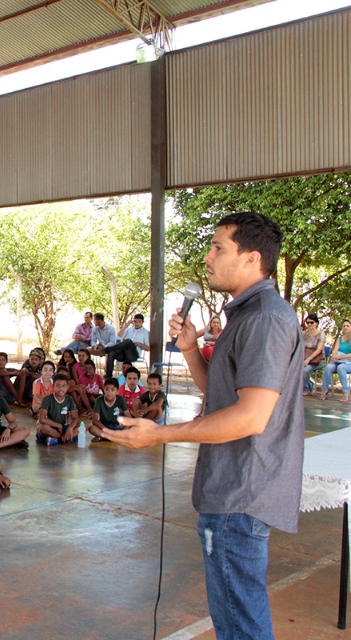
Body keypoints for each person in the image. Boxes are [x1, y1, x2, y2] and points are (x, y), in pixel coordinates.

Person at [101, 211, 304, 640]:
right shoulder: (247, 315)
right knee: (234, 615)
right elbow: (224, 392)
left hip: (240, 492)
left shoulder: (265, 318)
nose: (208, 258)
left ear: (251, 259)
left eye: (219, 248)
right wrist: (192, 350)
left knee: (239, 622)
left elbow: (251, 417)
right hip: (232, 488)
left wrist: (161, 434)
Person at [320, 318, 351, 403]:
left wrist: (341, 356)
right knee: (328, 367)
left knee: (341, 367)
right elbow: (335, 350)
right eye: (344, 326)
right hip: (339, 361)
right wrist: (334, 356)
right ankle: (324, 391)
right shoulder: (340, 339)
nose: (345, 327)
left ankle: (346, 392)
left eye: (347, 326)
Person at [36, 374, 79, 445]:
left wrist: (70, 428)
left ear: (68, 387)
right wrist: (58, 425)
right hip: (50, 426)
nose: (61, 389)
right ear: (53, 386)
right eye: (58, 386)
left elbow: (75, 418)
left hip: (62, 428)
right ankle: (65, 438)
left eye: (64, 386)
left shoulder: (69, 399)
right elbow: (42, 419)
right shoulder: (47, 399)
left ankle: (57, 439)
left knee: (83, 426)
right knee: (44, 429)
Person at [301, 313, 326, 395]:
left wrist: (308, 359)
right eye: (307, 323)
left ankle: (305, 388)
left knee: (304, 370)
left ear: (316, 323)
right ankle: (311, 385)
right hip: (305, 359)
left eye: (311, 322)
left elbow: (319, 350)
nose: (309, 324)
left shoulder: (321, 335)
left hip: (317, 360)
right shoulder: (303, 334)